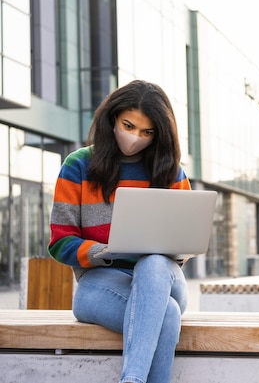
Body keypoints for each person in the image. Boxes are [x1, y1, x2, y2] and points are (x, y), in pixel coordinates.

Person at [48, 80, 191, 383]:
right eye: (129, 125)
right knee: (166, 316)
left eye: (147, 132)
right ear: (112, 118)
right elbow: (60, 243)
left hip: (163, 281)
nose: (135, 138)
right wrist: (104, 251)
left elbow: (186, 244)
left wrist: (168, 249)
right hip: (99, 284)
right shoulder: (78, 166)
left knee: (153, 262)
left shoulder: (171, 172)